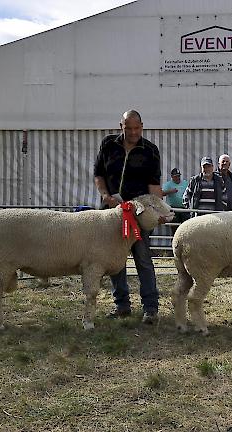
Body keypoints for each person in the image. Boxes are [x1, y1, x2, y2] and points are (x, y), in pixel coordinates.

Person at [93, 109, 164, 324]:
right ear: (121, 126)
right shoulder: (108, 144)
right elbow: (98, 174)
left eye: (137, 128)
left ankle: (150, 307)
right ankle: (121, 305)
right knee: (116, 261)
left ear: (142, 126)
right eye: (128, 128)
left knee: (143, 258)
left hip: (139, 213)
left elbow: (154, 186)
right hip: (112, 214)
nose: (133, 132)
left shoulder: (150, 151)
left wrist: (159, 210)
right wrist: (105, 195)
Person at [162, 168, 188, 233]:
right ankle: (175, 241)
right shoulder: (168, 184)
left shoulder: (185, 183)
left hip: (184, 208)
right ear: (172, 177)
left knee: (186, 227)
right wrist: (170, 191)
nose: (177, 178)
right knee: (174, 228)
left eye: (178, 176)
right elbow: (161, 193)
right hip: (173, 209)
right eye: (175, 176)